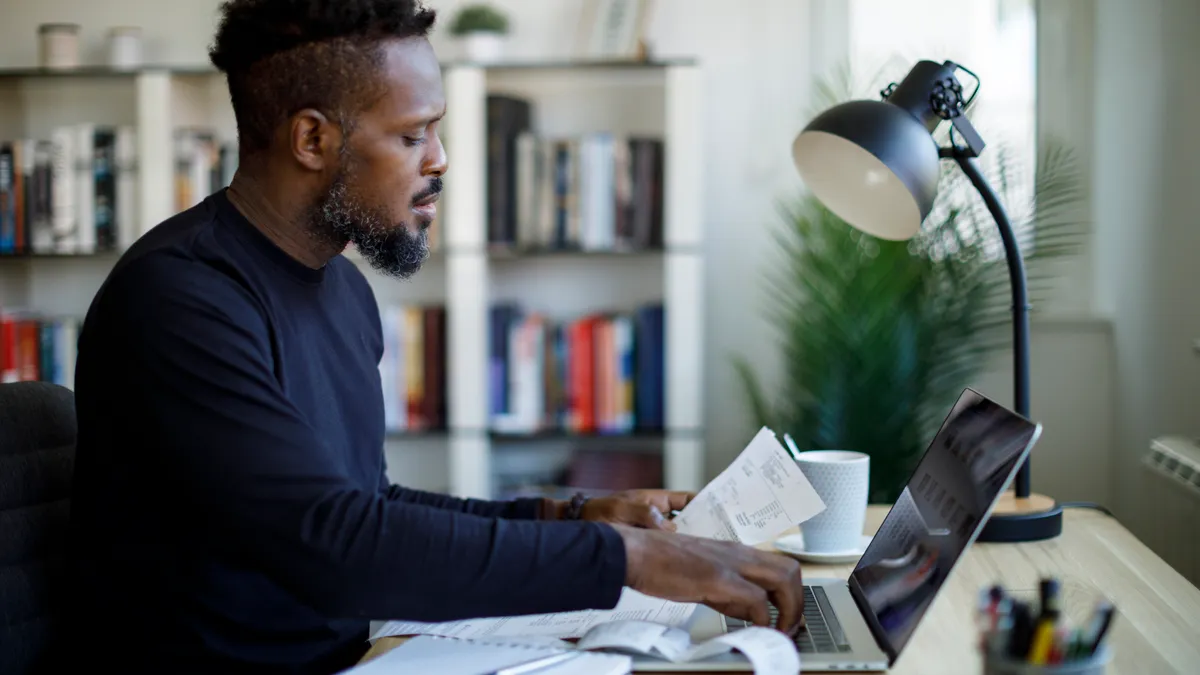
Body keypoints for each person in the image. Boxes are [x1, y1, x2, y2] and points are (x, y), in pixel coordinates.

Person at [60, 1, 804, 673]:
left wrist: (570, 514)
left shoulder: (341, 289)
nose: (439, 159)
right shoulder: (181, 300)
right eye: (413, 135)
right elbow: (336, 545)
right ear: (312, 138)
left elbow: (367, 504)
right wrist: (628, 556)